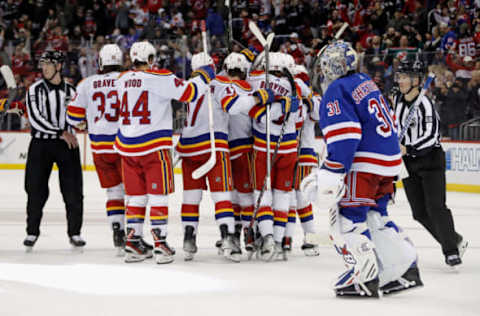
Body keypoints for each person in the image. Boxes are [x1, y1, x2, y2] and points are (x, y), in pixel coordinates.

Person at [301, 41, 422, 297]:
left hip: (365, 163)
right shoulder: (364, 82)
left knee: (347, 220)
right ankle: (403, 268)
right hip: (388, 162)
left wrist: (331, 173)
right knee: (377, 217)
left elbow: (346, 136)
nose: (322, 74)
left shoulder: (337, 90)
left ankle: (363, 276)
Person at [114, 41, 214, 264]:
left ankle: (133, 241)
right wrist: (205, 75)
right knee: (158, 195)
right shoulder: (160, 77)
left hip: (127, 147)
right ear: (150, 59)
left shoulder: (121, 80)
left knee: (137, 197)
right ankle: (160, 244)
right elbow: (189, 92)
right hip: (153, 146)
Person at [393, 58, 468, 267]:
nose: (401, 81)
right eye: (400, 76)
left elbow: (432, 136)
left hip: (430, 160)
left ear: (417, 80)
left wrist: (410, 148)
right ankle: (454, 238)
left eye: (406, 77)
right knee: (419, 213)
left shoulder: (426, 104)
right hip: (408, 163)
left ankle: (451, 250)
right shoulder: (398, 102)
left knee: (436, 207)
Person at [67, 44, 126, 256]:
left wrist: (83, 124)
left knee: (113, 192)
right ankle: (135, 234)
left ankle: (117, 229)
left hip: (100, 146)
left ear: (100, 61)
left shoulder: (86, 83)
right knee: (133, 193)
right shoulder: (129, 79)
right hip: (125, 144)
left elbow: (73, 117)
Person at [23, 50, 85, 250]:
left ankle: (74, 233)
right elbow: (36, 119)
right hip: (42, 145)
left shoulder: (72, 90)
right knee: (35, 189)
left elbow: (78, 115)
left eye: (48, 64)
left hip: (67, 145)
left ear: (59, 66)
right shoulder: (34, 90)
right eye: (42, 64)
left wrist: (82, 124)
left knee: (74, 191)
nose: (44, 67)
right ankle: (32, 232)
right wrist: (61, 132)